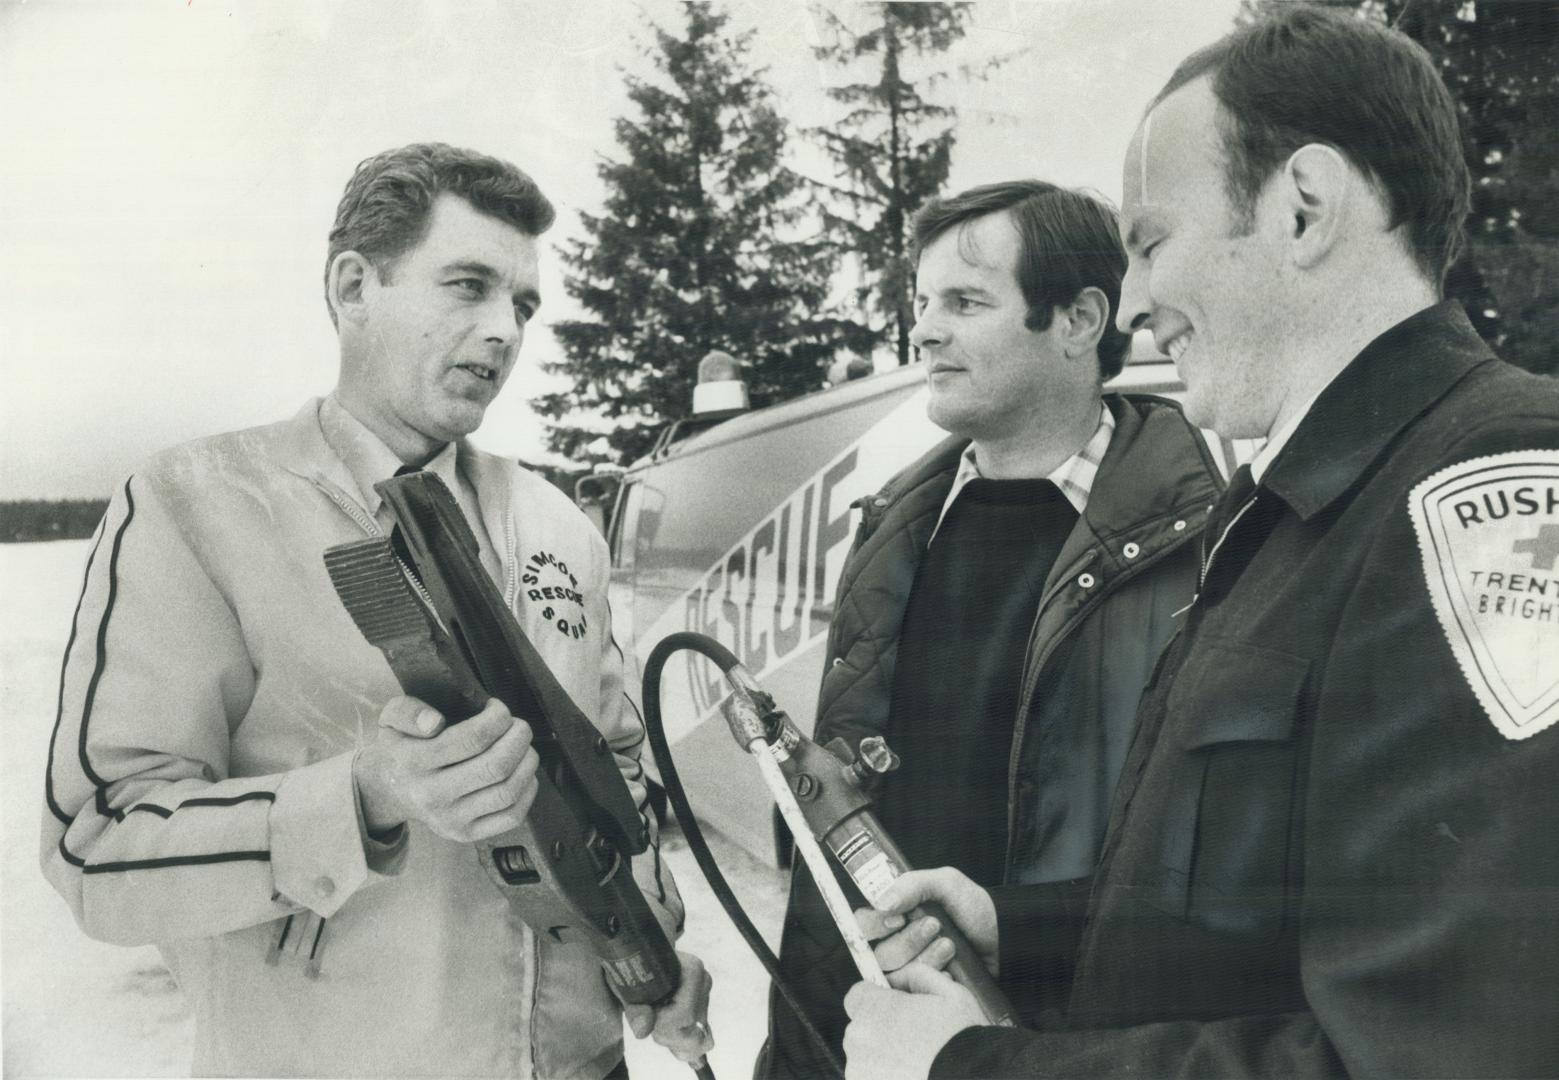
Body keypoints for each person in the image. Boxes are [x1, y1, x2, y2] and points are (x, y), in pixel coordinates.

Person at [839, 8, 1559, 1079]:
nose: (1129, 306)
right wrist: (1014, 922)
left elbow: (1437, 1050)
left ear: (1303, 209)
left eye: (1149, 244)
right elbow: (1239, 901)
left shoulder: (1487, 484)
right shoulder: (1285, 512)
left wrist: (967, 1069)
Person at [41, 143, 712, 1079]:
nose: (504, 332)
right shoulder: (198, 504)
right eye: (467, 285)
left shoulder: (559, 523)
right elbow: (98, 847)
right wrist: (364, 798)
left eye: (522, 305)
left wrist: (647, 941)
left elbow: (619, 766)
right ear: (355, 285)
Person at [756, 180, 1225, 1078]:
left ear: (1080, 320)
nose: (925, 330)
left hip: (1064, 1045)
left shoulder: (1207, 541)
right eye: (922, 304)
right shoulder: (890, 527)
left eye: (965, 302)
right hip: (874, 1024)